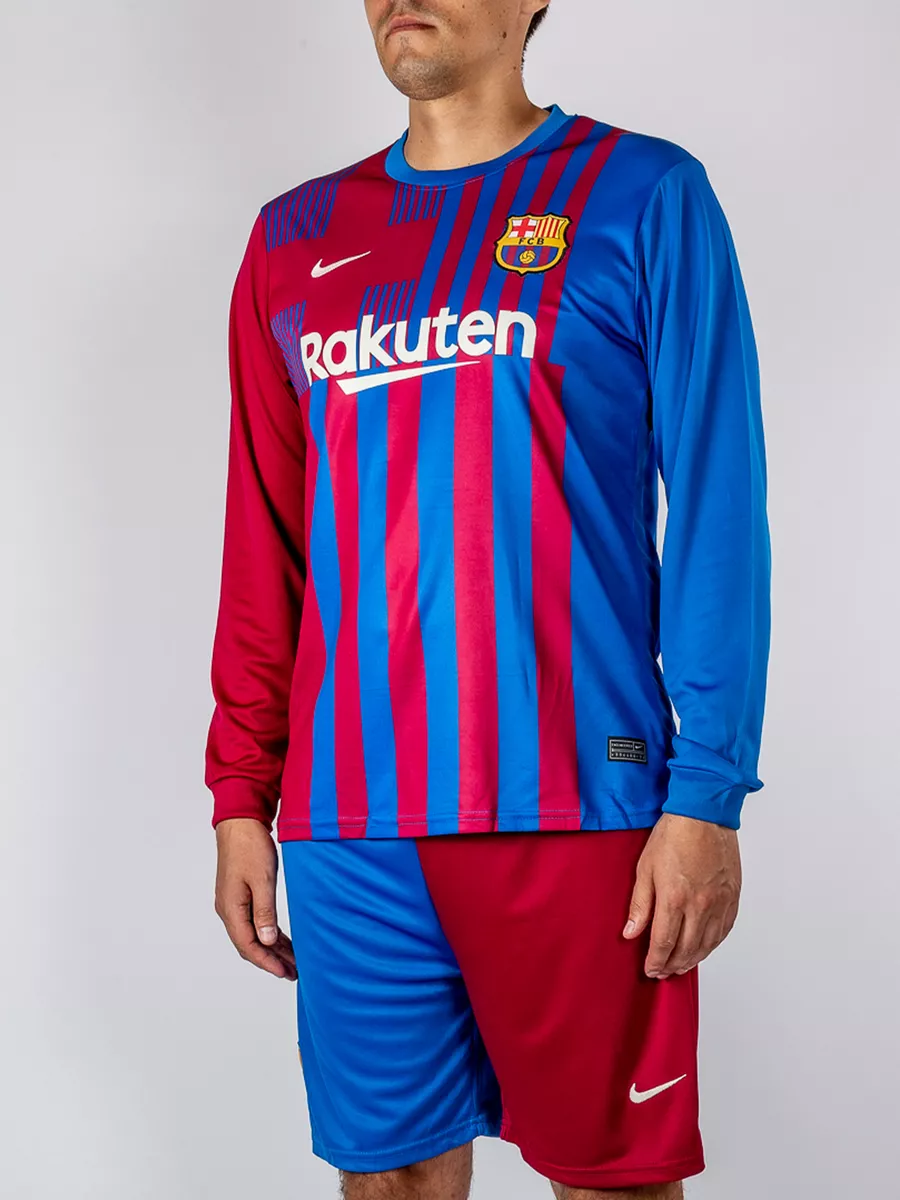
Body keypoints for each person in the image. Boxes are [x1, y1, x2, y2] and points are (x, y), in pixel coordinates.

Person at [204, 2, 771, 1197]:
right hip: (351, 818)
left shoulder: (642, 195)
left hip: (577, 799)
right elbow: (266, 538)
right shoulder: (293, 237)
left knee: (609, 1183)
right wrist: (241, 793)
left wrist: (707, 791)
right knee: (392, 1182)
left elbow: (719, 505)